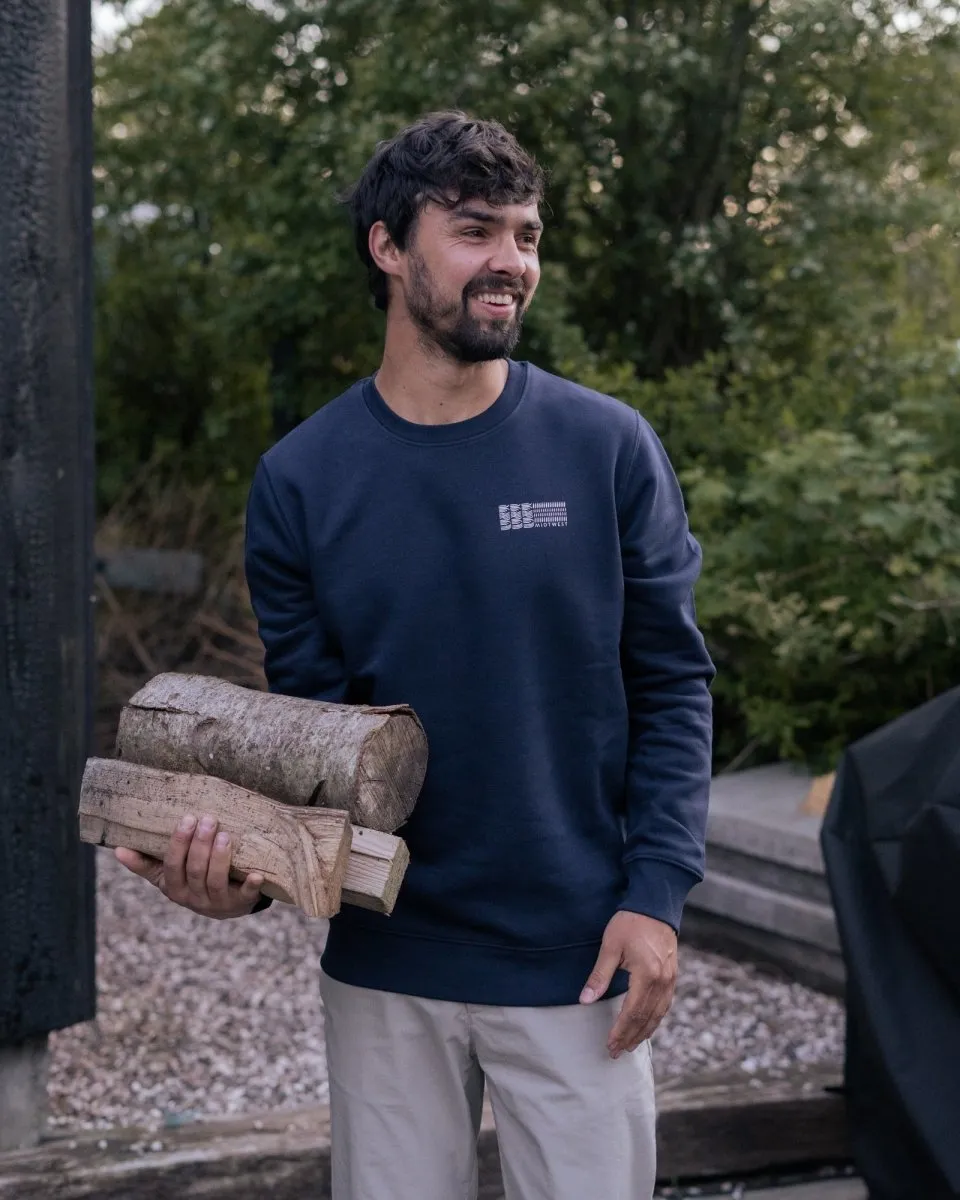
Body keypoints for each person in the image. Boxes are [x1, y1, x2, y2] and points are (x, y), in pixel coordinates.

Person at [115, 110, 715, 1200]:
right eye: (476, 230)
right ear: (389, 247)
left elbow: (673, 685)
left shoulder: (606, 447)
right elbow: (314, 746)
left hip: (577, 959)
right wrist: (241, 882)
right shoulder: (302, 480)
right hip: (388, 963)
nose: (512, 263)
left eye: (527, 236)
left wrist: (659, 892)